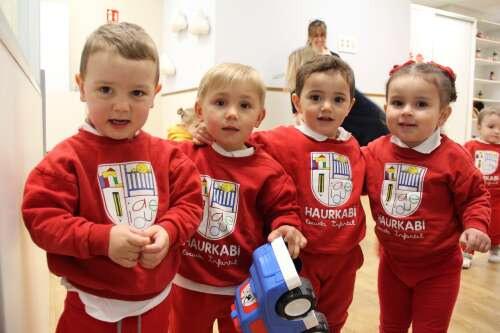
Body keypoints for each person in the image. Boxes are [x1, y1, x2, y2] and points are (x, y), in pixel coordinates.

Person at [22, 22, 203, 333]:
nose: (121, 105)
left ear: (154, 94)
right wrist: (102, 239)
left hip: (157, 304)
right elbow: (43, 221)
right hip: (89, 309)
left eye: (137, 93)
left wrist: (169, 231)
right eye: (105, 90)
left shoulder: (171, 157)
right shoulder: (64, 161)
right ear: (81, 87)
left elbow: (191, 203)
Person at [194, 55, 366, 332]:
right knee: (291, 321)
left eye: (338, 99)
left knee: (333, 320)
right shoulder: (279, 139)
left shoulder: (354, 145)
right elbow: (237, 136)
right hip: (299, 256)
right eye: (315, 97)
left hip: (344, 258)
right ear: (297, 102)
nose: (326, 107)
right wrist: (206, 130)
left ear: (350, 105)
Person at [169, 63, 307, 333]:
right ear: (200, 110)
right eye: (220, 103)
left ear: (259, 116)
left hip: (244, 285)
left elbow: (284, 208)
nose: (231, 114)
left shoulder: (268, 170)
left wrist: (287, 226)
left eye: (244, 106)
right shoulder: (183, 155)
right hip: (188, 281)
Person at [363, 60, 491, 333]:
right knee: (390, 326)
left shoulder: (454, 157)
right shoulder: (373, 152)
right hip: (393, 264)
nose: (407, 112)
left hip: (439, 268)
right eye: (398, 103)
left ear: (443, 115)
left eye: (421, 105)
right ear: (386, 108)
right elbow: (349, 182)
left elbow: (475, 198)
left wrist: (476, 225)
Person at [286, 19, 388, 146]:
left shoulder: (333, 57)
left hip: (368, 121)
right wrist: (296, 111)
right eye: (315, 35)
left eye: (322, 35)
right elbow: (295, 86)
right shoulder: (301, 56)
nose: (319, 39)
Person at [463, 107, 500, 268]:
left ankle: (495, 247)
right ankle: (466, 252)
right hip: (475, 195)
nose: (497, 131)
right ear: (479, 127)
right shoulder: (471, 146)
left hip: (497, 197)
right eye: (491, 127)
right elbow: (462, 166)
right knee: (472, 223)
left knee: (497, 224)